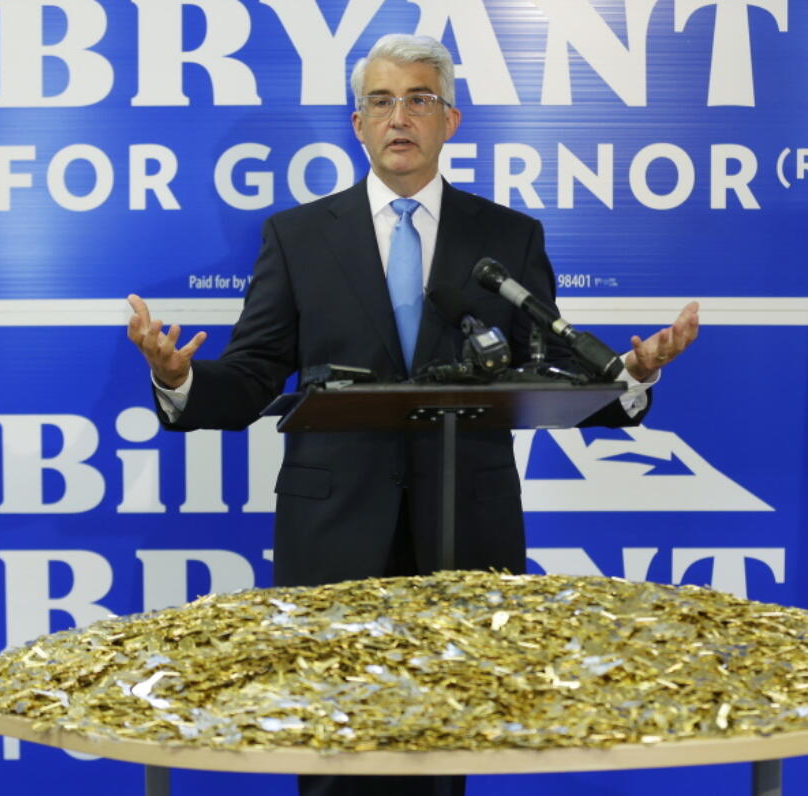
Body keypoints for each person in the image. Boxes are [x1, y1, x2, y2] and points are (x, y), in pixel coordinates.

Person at [128, 33, 699, 795]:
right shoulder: (297, 238)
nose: (401, 117)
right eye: (381, 101)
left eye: (419, 100)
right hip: (333, 531)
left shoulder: (506, 237)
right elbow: (259, 375)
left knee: (446, 750)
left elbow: (548, 372)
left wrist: (630, 374)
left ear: (450, 121)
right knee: (331, 753)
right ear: (358, 124)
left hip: (466, 520)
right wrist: (182, 379)